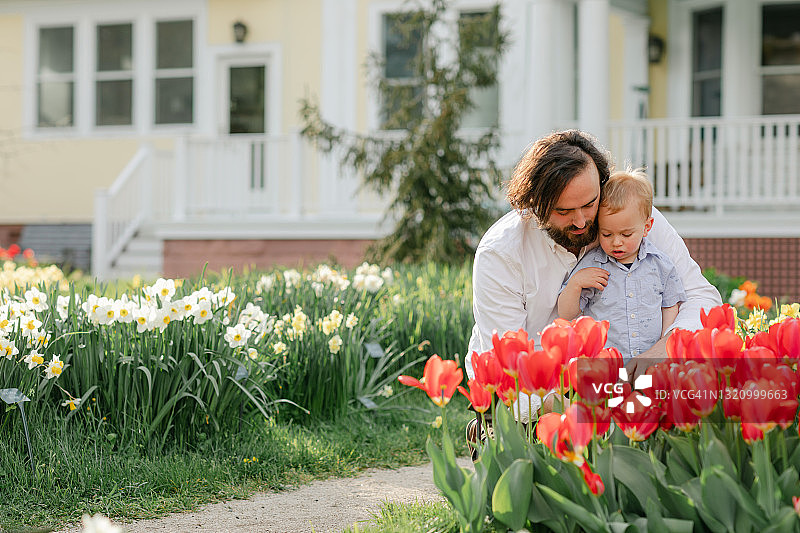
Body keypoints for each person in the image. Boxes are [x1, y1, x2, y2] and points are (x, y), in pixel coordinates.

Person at [464, 130, 721, 430]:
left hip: (626, 378)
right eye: (563, 211)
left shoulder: (629, 219)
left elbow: (703, 298)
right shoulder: (501, 253)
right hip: (537, 392)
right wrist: (574, 399)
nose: (581, 221)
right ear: (535, 203)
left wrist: (661, 351)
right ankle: (492, 431)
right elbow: (507, 365)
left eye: (589, 204)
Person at [557, 169, 686, 363]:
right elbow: (566, 313)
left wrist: (663, 344)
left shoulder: (660, 264)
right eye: (607, 234)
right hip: (605, 366)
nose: (616, 242)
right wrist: (575, 284)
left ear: (647, 227)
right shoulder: (593, 265)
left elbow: (669, 304)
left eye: (626, 235)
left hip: (648, 362)